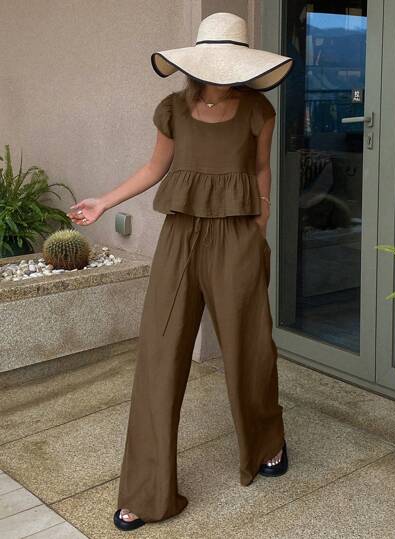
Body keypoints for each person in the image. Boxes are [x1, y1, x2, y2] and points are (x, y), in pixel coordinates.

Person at [67, 11, 294, 533]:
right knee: (160, 354)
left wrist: (259, 224)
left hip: (236, 237)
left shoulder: (258, 110)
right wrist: (104, 201)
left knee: (250, 348)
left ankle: (267, 444)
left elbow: (261, 169)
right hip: (180, 238)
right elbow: (156, 168)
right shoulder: (172, 109)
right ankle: (146, 492)